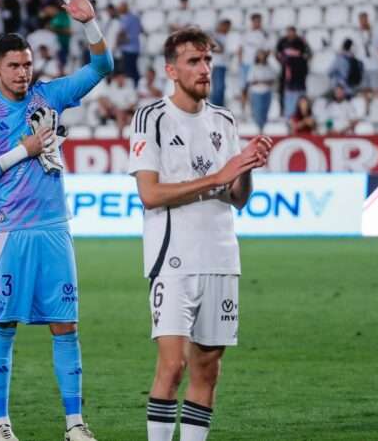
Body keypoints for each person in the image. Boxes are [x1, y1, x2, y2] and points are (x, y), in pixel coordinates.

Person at [0, 0, 113, 439]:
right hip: (9, 233)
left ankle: (75, 424)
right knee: (2, 325)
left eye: (27, 64)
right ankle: (1, 424)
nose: (23, 72)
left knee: (66, 325)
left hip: (53, 230)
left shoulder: (50, 95)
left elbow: (102, 68)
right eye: (14, 66)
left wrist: (90, 25)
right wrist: (20, 152)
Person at [127, 27, 270, 441]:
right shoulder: (151, 118)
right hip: (173, 259)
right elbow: (149, 194)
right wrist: (218, 177)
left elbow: (237, 197)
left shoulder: (223, 120)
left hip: (222, 257)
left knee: (208, 368)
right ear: (172, 70)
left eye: (207, 60)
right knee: (173, 367)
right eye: (194, 61)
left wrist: (246, 169)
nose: (205, 69)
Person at [238, 13, 272, 112]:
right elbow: (240, 48)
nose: (257, 23)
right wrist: (240, 63)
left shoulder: (264, 35)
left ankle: (254, 110)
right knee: (244, 87)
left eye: (259, 21)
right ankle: (243, 110)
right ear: (252, 21)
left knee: (255, 88)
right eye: (255, 21)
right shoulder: (246, 34)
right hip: (246, 64)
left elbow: (268, 49)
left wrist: (262, 61)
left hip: (257, 65)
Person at [275, 26, 311, 118]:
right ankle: (283, 111)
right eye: (289, 32)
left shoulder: (301, 41)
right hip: (286, 71)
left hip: (299, 72)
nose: (290, 34)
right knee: (283, 92)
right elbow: (276, 53)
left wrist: (301, 59)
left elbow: (308, 53)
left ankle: (301, 113)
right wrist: (282, 61)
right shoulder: (282, 41)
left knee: (300, 95)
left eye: (292, 32)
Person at [354, 12, 378, 116]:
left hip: (374, 66)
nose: (362, 22)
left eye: (364, 19)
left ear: (367, 19)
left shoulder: (375, 33)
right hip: (363, 66)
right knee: (365, 89)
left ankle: (377, 111)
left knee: (375, 89)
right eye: (361, 20)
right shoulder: (357, 34)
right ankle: (366, 110)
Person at [95, 71, 137, 136]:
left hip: (127, 111)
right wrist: (112, 106)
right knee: (101, 99)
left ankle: (120, 135)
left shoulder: (129, 88)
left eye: (122, 78)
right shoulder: (112, 88)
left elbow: (133, 104)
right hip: (114, 110)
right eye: (119, 78)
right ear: (116, 79)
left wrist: (122, 109)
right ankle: (103, 120)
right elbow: (105, 99)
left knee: (121, 114)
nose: (120, 80)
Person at [247, 50, 275, 132]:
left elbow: (272, 81)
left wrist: (260, 81)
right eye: (260, 55)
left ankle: (263, 129)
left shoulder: (269, 67)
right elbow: (251, 81)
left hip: (267, 92)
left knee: (265, 111)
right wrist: (263, 81)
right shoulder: (254, 67)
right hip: (256, 93)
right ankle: (258, 129)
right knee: (257, 112)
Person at [117, 1, 142, 85]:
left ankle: (133, 88)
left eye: (120, 6)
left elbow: (121, 32)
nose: (119, 8)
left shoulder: (126, 18)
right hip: (135, 48)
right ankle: (136, 86)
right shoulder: (135, 18)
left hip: (128, 48)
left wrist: (117, 42)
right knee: (133, 70)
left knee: (129, 71)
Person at [209, 19, 231, 107]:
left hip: (222, 65)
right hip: (215, 65)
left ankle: (218, 106)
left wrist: (214, 39)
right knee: (217, 88)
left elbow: (221, 49)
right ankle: (216, 106)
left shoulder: (226, 37)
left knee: (220, 88)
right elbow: (212, 48)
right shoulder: (215, 36)